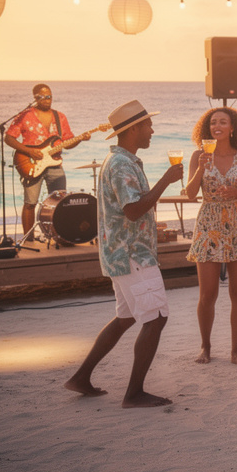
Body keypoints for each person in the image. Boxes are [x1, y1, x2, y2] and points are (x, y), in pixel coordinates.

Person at [63, 100, 180, 408]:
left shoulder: (124, 161)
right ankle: (134, 393)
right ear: (132, 130)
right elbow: (132, 210)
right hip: (132, 254)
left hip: (123, 253)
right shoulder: (121, 165)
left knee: (125, 317)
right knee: (155, 318)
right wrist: (165, 181)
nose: (152, 130)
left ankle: (81, 378)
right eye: (147, 125)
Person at [184, 107, 237, 367]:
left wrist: (236, 194)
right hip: (208, 224)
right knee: (208, 294)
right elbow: (190, 194)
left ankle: (236, 351)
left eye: (222, 122)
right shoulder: (199, 155)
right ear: (208, 130)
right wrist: (199, 170)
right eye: (213, 122)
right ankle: (205, 347)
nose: (217, 126)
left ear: (232, 128)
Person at [5, 83, 91, 238]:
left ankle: (58, 235)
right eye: (43, 97)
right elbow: (9, 138)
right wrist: (29, 151)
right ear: (35, 98)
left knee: (60, 201)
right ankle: (28, 238)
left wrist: (81, 139)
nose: (47, 100)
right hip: (31, 163)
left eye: (49, 96)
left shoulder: (60, 117)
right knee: (30, 203)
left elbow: (68, 142)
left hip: (55, 163)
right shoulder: (24, 115)